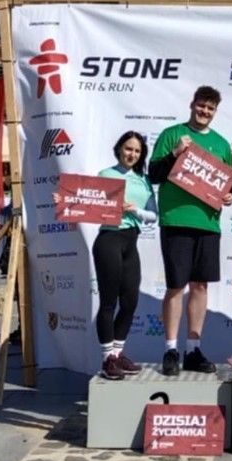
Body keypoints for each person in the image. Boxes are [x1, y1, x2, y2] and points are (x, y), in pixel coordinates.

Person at [147, 86, 232, 376]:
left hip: (208, 223)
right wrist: (175, 153)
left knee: (200, 286)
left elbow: (228, 186)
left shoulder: (222, 144)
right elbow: (153, 175)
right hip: (176, 220)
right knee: (176, 286)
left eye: (210, 108)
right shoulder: (172, 134)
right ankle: (171, 349)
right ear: (192, 104)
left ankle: (193, 349)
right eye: (201, 106)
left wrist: (229, 196)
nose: (204, 111)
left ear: (215, 111)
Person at [92, 133, 155, 378]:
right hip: (109, 238)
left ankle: (117, 353)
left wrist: (135, 210)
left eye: (137, 151)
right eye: (128, 149)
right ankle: (107, 359)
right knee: (109, 302)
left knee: (130, 302)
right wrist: (67, 200)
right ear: (119, 149)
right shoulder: (106, 174)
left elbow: (153, 215)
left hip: (131, 241)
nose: (132, 154)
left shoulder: (144, 180)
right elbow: (87, 202)